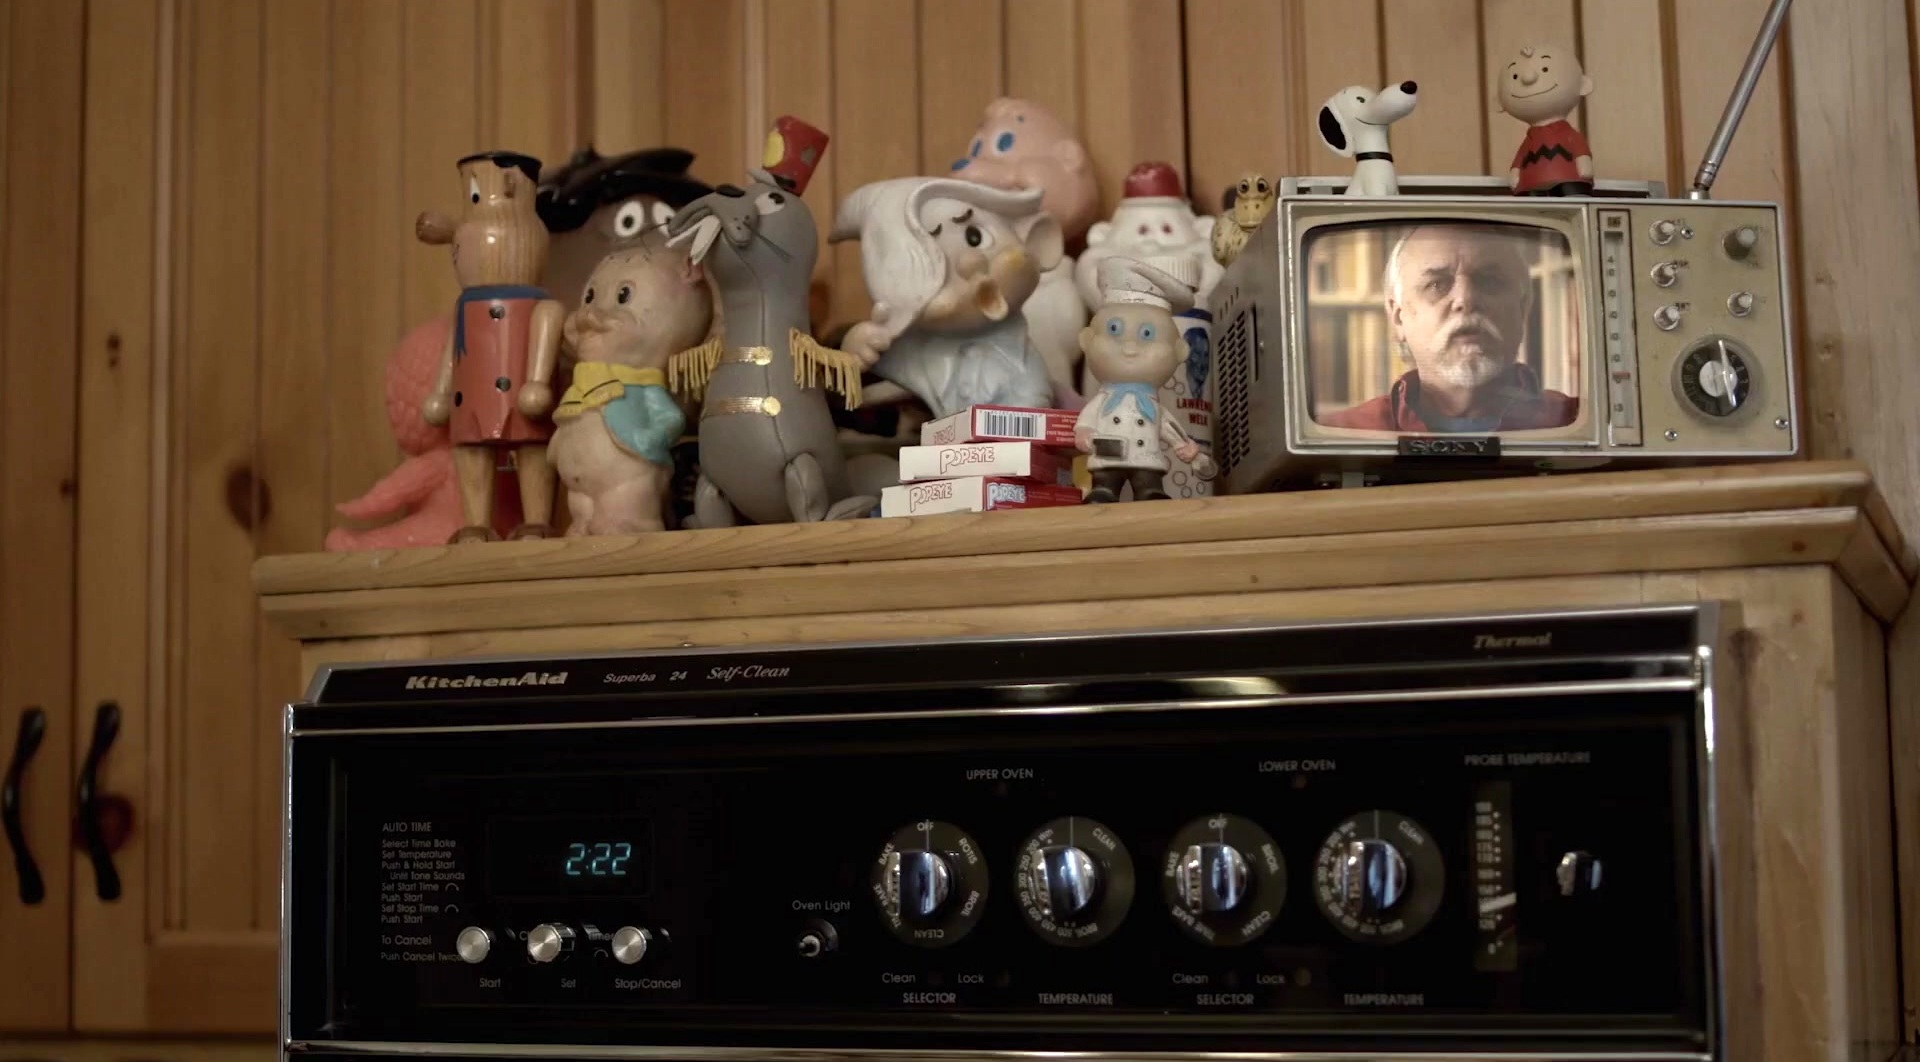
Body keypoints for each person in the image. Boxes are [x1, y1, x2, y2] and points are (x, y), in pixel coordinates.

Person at [1321, 223, 1577, 433]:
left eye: (1489, 280)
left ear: (1522, 308)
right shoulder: (1344, 432)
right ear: (1398, 318)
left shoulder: (1573, 421)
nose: (1465, 300)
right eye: (1436, 285)